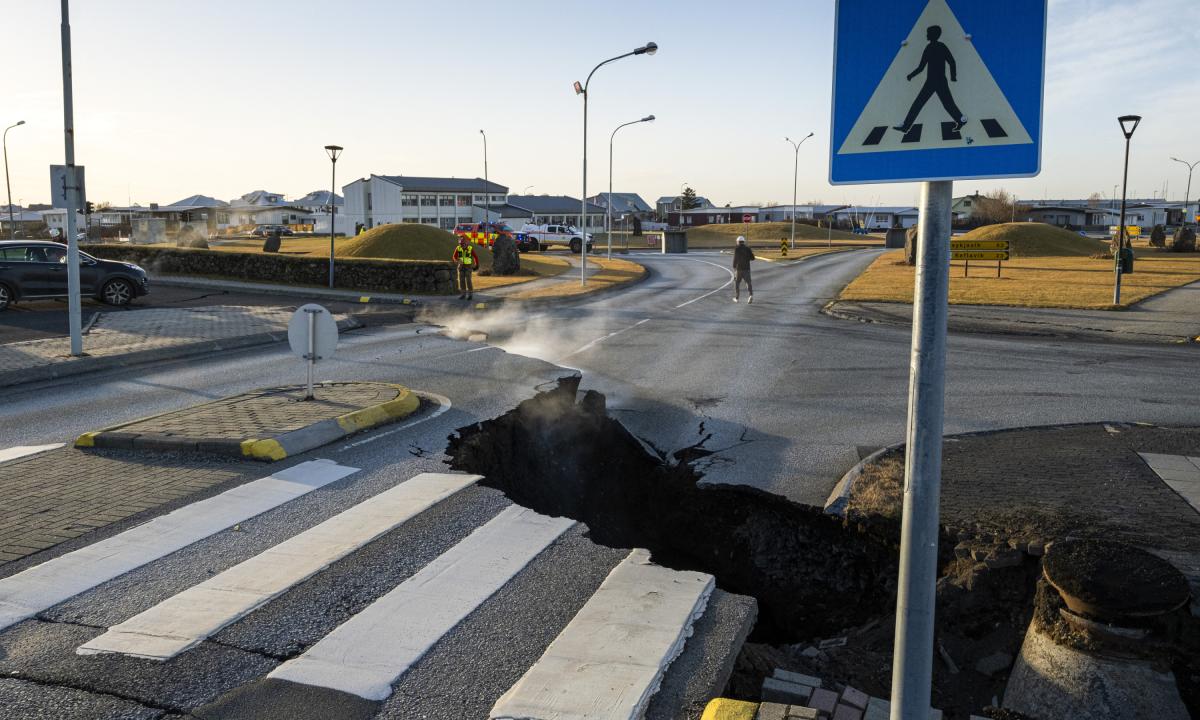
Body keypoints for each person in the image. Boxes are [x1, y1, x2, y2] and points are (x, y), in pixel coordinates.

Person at [894, 25, 966, 134]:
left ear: (933, 35)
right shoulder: (934, 47)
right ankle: (906, 126)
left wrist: (953, 77)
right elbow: (922, 67)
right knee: (923, 104)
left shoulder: (937, 47)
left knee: (943, 104)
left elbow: (951, 61)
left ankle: (960, 120)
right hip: (933, 81)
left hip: (938, 81)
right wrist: (911, 75)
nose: (927, 35)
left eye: (928, 33)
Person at [452, 235, 476, 300]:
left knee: (468, 280)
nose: (462, 245)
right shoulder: (458, 248)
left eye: (463, 244)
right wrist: (457, 261)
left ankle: (470, 294)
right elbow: (454, 257)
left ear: (466, 243)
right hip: (461, 267)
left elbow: (475, 257)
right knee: (461, 280)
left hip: (468, 266)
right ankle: (463, 294)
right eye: (461, 244)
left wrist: (476, 264)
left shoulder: (470, 248)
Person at [732, 236, 755, 304]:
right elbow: (753, 258)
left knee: (737, 283)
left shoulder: (737, 249)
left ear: (738, 242)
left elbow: (735, 259)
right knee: (748, 283)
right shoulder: (748, 248)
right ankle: (750, 295)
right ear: (744, 241)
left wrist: (734, 266)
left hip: (739, 269)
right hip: (747, 268)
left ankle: (737, 298)